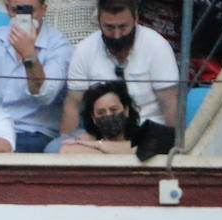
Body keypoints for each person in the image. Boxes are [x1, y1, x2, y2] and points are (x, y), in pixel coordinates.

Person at [59, 0, 178, 141]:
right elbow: (73, 104)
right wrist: (64, 141)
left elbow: (170, 103)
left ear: (136, 19)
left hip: (147, 132)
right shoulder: (84, 50)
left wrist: (175, 145)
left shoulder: (157, 46)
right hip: (100, 134)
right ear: (98, 22)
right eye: (109, 27)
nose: (117, 35)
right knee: (55, 147)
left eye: (123, 27)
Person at [0, 0, 71, 153]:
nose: (23, 17)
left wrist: (29, 55)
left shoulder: (58, 45)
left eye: (29, 10)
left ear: (44, 10)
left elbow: (45, 95)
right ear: (7, 10)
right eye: (17, 10)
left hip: (34, 131)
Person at [57, 79, 173, 159]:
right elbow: (67, 150)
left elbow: (151, 148)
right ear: (93, 118)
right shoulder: (87, 138)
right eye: (101, 112)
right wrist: (127, 152)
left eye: (114, 110)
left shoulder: (144, 133)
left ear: (126, 110)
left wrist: (99, 145)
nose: (108, 115)